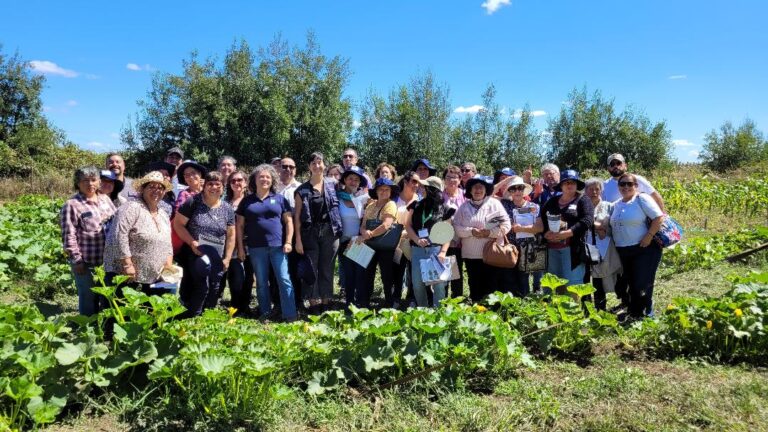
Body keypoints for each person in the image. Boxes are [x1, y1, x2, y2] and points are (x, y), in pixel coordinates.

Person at [236, 164, 298, 321]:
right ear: (254, 180)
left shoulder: (280, 199)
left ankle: (290, 314)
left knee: (284, 279)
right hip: (256, 248)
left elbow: (289, 222)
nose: (264, 179)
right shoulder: (246, 202)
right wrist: (241, 248)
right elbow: (240, 226)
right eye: (261, 176)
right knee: (262, 282)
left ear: (272, 180)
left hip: (278, 247)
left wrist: (289, 242)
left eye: (268, 177)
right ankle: (265, 313)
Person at [173, 171, 236, 317]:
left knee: (214, 286)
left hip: (217, 256)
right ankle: (193, 316)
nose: (214, 187)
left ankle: (208, 317)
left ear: (223, 187)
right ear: (204, 186)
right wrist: (191, 242)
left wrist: (227, 258)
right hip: (196, 252)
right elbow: (178, 224)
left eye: (217, 184)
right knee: (201, 285)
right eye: (210, 184)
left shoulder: (227, 208)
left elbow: (231, 235)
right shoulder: (193, 202)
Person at [103, 171, 174, 294]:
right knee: (124, 311)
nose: (156, 190)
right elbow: (118, 236)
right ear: (142, 189)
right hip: (128, 275)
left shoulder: (163, 214)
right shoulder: (131, 207)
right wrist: (127, 265)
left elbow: (168, 242)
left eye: (160, 188)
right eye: (151, 186)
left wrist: (168, 264)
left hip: (154, 277)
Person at [60, 166, 116, 315]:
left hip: (108, 261)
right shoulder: (72, 205)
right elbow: (68, 234)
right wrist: (76, 260)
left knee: (107, 297)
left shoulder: (105, 199)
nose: (90, 184)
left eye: (93, 180)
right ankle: (87, 331)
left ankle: (104, 330)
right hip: (87, 262)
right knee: (88, 297)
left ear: (98, 181)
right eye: (85, 180)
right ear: (77, 183)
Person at [609, 173, 664, 319]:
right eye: (622, 184)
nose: (626, 187)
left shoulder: (641, 199)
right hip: (623, 250)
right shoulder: (617, 204)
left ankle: (646, 314)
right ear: (618, 187)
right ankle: (634, 313)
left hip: (644, 248)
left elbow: (658, 217)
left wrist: (649, 235)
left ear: (636, 186)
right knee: (631, 283)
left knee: (642, 282)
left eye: (629, 184)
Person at [294, 152, 342, 313]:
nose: (317, 166)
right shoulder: (301, 190)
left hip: (330, 231)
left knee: (327, 268)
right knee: (311, 269)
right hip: (310, 234)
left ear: (324, 165)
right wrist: (298, 240)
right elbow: (297, 218)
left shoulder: (333, 184)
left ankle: (327, 302)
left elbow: (351, 193)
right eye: (313, 163)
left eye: (319, 162)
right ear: (309, 167)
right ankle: (314, 303)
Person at [454, 175, 510, 302]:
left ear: (486, 190)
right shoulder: (464, 207)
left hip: (492, 255)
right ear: (470, 190)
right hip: (471, 256)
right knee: (475, 288)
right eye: (475, 187)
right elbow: (456, 227)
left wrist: (489, 233)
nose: (478, 190)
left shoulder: (495, 204)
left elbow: (506, 225)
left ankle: (493, 316)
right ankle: (478, 314)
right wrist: (471, 232)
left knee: (491, 288)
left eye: (481, 187)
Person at [405, 176, 455, 307]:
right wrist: (416, 239)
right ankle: (423, 311)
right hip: (417, 250)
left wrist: (443, 252)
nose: (420, 188)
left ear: (431, 189)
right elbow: (408, 225)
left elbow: (448, 232)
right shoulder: (415, 205)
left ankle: (438, 313)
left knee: (439, 284)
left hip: (437, 251)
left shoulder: (445, 208)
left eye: (424, 187)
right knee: (417, 283)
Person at [540, 170, 594, 289]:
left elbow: (588, 220)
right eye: (566, 182)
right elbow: (541, 219)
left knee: (572, 285)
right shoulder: (552, 201)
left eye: (573, 182)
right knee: (552, 285)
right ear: (561, 185)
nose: (569, 185)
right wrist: (544, 234)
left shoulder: (583, 200)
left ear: (577, 185)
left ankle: (571, 308)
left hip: (572, 250)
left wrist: (569, 233)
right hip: (551, 249)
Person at [496, 176, 543, 297]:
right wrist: (507, 181)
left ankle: (524, 306)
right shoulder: (504, 204)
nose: (517, 191)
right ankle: (512, 306)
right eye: (513, 189)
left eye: (520, 188)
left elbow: (540, 228)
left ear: (524, 190)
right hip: (510, 247)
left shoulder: (534, 206)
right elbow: (488, 194)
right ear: (509, 191)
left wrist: (521, 228)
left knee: (524, 279)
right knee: (509, 277)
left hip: (528, 247)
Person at [359, 178, 400, 308]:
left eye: (386, 189)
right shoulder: (370, 205)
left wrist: (370, 234)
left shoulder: (391, 204)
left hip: (385, 247)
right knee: (367, 274)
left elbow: (386, 225)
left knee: (386, 275)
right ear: (376, 191)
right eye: (381, 189)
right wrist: (364, 231)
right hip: (369, 244)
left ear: (390, 191)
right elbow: (363, 224)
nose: (383, 192)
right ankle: (365, 303)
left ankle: (389, 303)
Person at [584, 178, 622, 311]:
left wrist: (595, 226)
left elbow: (609, 225)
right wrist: (599, 226)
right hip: (585, 246)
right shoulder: (582, 205)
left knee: (600, 279)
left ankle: (601, 309)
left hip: (604, 247)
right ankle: (587, 309)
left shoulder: (609, 206)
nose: (594, 192)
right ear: (585, 191)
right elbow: (582, 223)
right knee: (585, 279)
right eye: (590, 189)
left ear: (601, 190)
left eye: (597, 189)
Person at [336, 166, 370, 308]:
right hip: (343, 241)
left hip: (359, 241)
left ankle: (361, 305)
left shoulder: (364, 199)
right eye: (350, 178)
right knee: (348, 275)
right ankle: (349, 304)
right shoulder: (336, 197)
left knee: (361, 275)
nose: (353, 182)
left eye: (356, 180)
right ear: (345, 180)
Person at [224, 170, 255, 314]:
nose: (237, 183)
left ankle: (245, 306)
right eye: (233, 181)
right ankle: (235, 306)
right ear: (229, 184)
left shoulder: (251, 201)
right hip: (231, 245)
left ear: (245, 183)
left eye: (240, 180)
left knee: (248, 276)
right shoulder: (224, 202)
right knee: (235, 276)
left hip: (250, 243)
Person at [394, 171, 421, 307]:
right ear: (405, 182)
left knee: (413, 270)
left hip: (413, 241)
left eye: (418, 182)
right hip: (396, 242)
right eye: (414, 182)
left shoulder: (420, 200)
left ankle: (412, 298)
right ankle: (396, 299)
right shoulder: (394, 199)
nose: (417, 185)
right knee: (397, 270)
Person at [442, 165, 466, 298]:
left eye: (455, 177)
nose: (452, 180)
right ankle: (442, 299)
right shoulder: (439, 196)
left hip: (461, 240)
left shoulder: (465, 195)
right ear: (444, 180)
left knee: (457, 271)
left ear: (460, 179)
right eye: (448, 177)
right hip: (443, 240)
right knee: (444, 271)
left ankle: (457, 300)